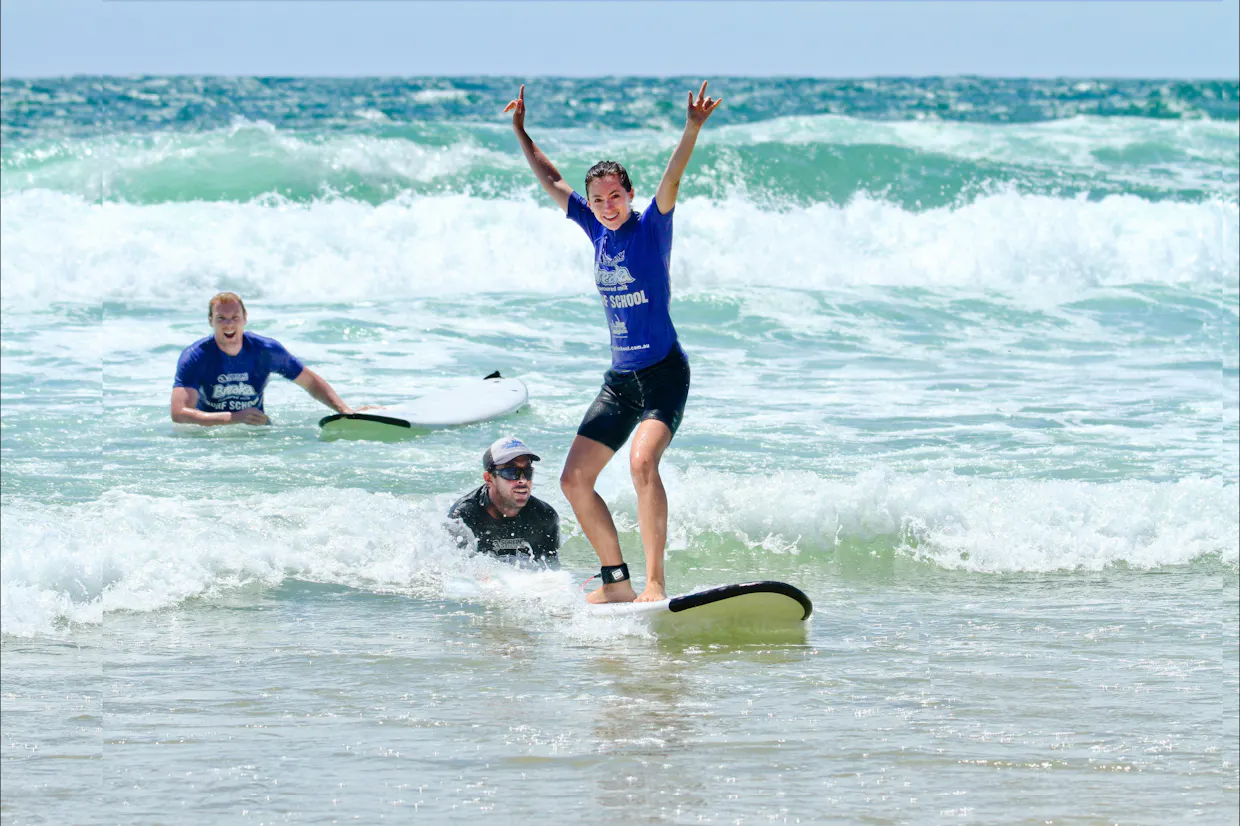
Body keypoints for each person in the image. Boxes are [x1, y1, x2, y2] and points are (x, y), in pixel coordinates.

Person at [504, 81, 722, 603]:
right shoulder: (593, 226)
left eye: (615, 196)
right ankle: (616, 581)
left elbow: (672, 177)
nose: (606, 206)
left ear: (629, 194)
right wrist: (520, 130)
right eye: (598, 199)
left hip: (665, 374)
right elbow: (553, 179)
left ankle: (654, 582)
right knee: (574, 479)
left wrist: (691, 129)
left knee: (642, 463)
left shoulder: (651, 227)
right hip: (621, 381)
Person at [171, 292, 354, 426]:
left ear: (245, 318)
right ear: (211, 321)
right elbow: (179, 414)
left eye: (235, 317)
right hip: (211, 436)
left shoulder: (265, 350)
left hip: (256, 434)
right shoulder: (195, 356)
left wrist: (344, 410)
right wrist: (235, 418)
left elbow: (310, 382)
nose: (229, 324)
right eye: (221, 318)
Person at [447, 437, 560, 568]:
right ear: (489, 479)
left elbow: (552, 571)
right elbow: (458, 575)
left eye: (527, 471)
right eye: (511, 472)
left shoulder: (545, 517)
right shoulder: (464, 517)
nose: (522, 480)